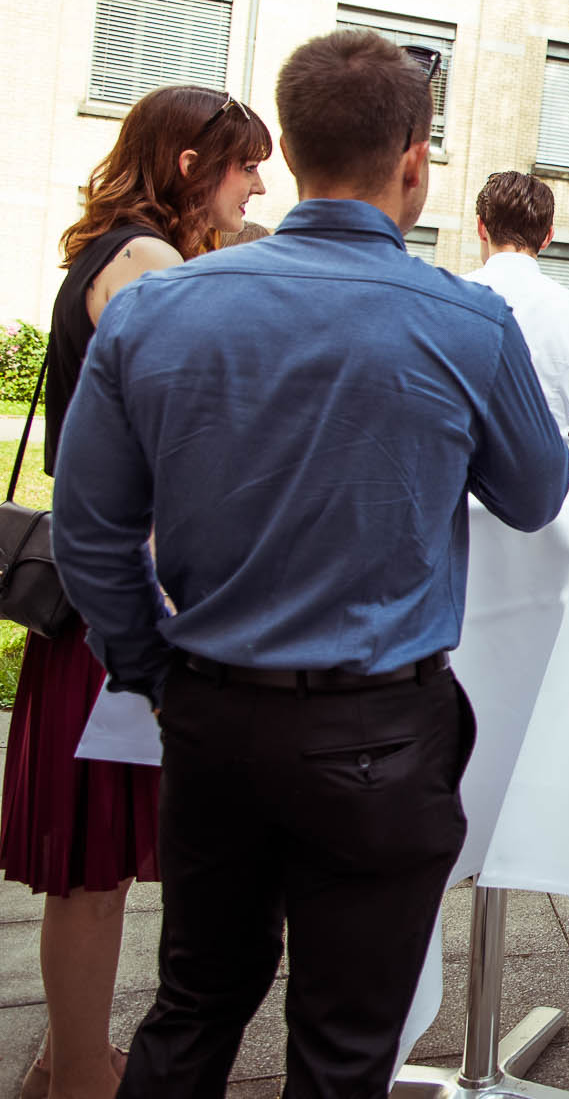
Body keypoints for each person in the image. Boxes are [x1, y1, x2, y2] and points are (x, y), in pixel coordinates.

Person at [51, 31, 569, 1098]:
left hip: (214, 714)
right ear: (415, 158)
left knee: (192, 1005)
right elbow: (534, 492)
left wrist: (157, 671)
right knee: (343, 1050)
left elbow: (90, 532)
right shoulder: (466, 318)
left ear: (283, 151)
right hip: (376, 729)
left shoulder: (157, 306)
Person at [0, 85, 269, 1099]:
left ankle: (64, 1060)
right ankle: (75, 1077)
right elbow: (194, 430)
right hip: (122, 595)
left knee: (96, 858)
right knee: (94, 864)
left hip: (94, 583)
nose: (258, 182)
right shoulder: (147, 263)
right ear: (192, 164)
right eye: (245, 162)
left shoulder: (113, 251)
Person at [464, 170, 569, 457]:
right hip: (540, 493)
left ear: (481, 227)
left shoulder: (444, 299)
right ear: (548, 237)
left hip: (455, 489)